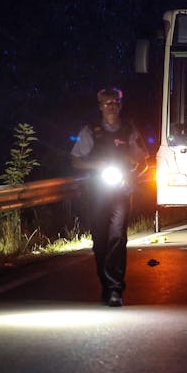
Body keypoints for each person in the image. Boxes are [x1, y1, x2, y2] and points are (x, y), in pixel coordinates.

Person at [71, 87, 148, 306]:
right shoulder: (91, 131)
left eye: (115, 102)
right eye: (107, 103)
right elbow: (75, 159)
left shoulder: (129, 130)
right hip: (97, 192)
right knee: (100, 241)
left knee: (117, 237)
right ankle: (106, 285)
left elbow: (142, 161)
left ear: (120, 105)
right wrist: (98, 164)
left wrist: (132, 175)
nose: (112, 106)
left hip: (121, 191)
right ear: (100, 107)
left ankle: (115, 289)